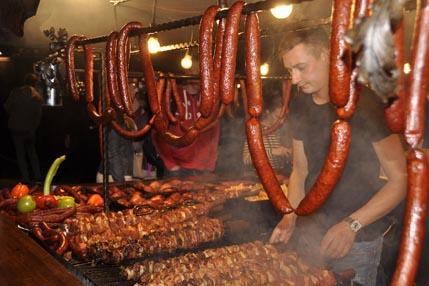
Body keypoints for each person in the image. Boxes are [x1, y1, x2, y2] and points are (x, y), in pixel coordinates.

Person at [268, 27, 407, 286]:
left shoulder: (365, 103)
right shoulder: (300, 106)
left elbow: (399, 179)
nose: (295, 79)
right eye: (290, 71)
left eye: (301, 67)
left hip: (358, 240)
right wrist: (290, 218)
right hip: (311, 236)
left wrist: (351, 225)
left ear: (325, 55)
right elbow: (300, 170)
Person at [152, 62, 220, 177]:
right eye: (198, 73)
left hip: (203, 168)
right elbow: (158, 133)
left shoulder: (209, 100)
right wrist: (170, 164)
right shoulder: (171, 96)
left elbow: (215, 130)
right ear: (188, 73)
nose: (203, 77)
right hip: (177, 168)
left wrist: (211, 162)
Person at [242, 84, 292, 176]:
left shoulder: (281, 130)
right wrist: (272, 152)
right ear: (268, 112)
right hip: (258, 178)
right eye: (278, 116)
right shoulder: (254, 130)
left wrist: (288, 153)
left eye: (283, 117)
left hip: (279, 177)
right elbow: (246, 159)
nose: (281, 121)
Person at [4, 73, 44, 183]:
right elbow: (38, 117)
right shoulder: (38, 97)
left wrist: (15, 114)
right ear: (36, 83)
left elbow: (7, 107)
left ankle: (25, 178)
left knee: (20, 154)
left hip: (16, 127)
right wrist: (33, 128)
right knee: (32, 153)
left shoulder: (15, 92)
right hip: (30, 129)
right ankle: (37, 177)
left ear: (24, 81)